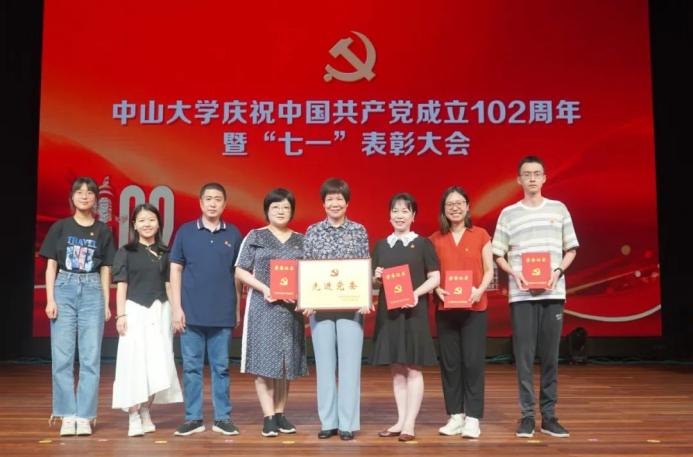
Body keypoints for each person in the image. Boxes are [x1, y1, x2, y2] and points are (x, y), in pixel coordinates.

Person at [492, 156, 579, 439]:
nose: (532, 178)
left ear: (544, 178)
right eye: (527, 174)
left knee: (550, 356)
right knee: (525, 358)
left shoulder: (559, 209)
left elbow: (571, 249)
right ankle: (528, 416)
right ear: (519, 180)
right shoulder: (508, 213)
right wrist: (514, 273)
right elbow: (498, 253)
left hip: (553, 292)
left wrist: (557, 271)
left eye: (537, 173)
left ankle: (549, 417)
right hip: (521, 295)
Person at [39, 176, 115, 436]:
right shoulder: (60, 227)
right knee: (62, 357)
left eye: (89, 192)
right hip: (64, 287)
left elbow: (106, 269)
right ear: (72, 197)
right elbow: (51, 265)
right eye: (79, 192)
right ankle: (66, 414)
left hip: (92, 289)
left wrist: (106, 302)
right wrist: (50, 299)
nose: (84, 196)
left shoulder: (103, 230)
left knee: (90, 357)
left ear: (96, 198)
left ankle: (84, 415)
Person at [170, 183, 243, 436]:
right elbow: (175, 269)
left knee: (221, 367)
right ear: (200, 203)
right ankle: (193, 418)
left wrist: (237, 307)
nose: (213, 203)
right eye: (208, 199)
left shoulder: (233, 233)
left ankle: (223, 418)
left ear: (224, 204)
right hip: (190, 313)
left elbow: (237, 274)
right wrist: (176, 308)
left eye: (217, 199)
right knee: (191, 368)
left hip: (222, 313)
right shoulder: (186, 231)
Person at [234, 188, 308, 437]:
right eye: (275, 207)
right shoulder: (255, 236)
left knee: (286, 365)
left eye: (286, 207)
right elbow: (240, 270)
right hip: (263, 307)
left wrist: (305, 298)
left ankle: (279, 413)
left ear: (292, 211)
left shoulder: (301, 240)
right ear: (267, 210)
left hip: (291, 311)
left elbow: (310, 275)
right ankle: (267, 417)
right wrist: (265, 288)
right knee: (264, 363)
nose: (281, 211)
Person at [303, 178, 370, 441]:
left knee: (350, 366)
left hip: (351, 307)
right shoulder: (313, 231)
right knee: (324, 366)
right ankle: (328, 422)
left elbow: (364, 264)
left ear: (347, 202)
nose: (334, 203)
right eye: (329, 199)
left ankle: (347, 423)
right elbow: (307, 266)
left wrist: (365, 296)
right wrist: (307, 299)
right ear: (323, 203)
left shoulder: (359, 230)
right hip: (319, 308)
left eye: (339, 198)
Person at [371, 192, 440, 442]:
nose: (399, 215)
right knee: (397, 368)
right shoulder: (381, 245)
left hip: (414, 312)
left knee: (413, 367)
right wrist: (376, 277)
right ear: (389, 215)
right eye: (395, 211)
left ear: (413, 216)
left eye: (405, 211)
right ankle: (400, 420)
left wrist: (415, 294)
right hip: (389, 313)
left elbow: (435, 277)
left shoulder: (422, 244)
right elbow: (374, 283)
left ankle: (410, 423)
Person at [111, 203, 183, 436]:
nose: (147, 224)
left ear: (159, 223)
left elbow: (170, 284)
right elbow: (121, 286)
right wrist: (121, 314)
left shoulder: (166, 252)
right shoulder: (126, 252)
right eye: (142, 220)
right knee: (134, 363)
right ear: (134, 225)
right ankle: (133, 415)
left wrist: (175, 311)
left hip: (161, 310)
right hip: (134, 311)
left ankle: (145, 411)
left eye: (151, 219)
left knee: (158, 363)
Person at [429, 186, 493, 439]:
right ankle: (456, 415)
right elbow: (431, 274)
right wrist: (437, 290)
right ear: (443, 210)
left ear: (467, 207)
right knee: (450, 364)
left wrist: (480, 290)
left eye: (459, 203)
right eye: (449, 204)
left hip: (475, 308)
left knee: (473, 362)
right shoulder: (435, 239)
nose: (455, 208)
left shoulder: (481, 235)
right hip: (446, 309)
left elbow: (489, 269)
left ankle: (473, 418)